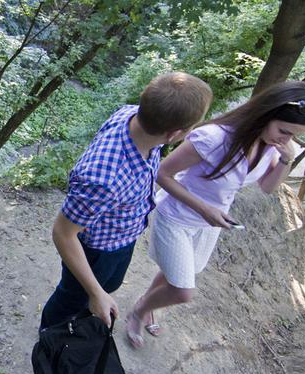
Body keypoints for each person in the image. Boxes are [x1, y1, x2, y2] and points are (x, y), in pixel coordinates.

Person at [126, 80, 305, 348]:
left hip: (209, 223)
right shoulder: (214, 138)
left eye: (293, 136)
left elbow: (268, 187)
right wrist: (205, 209)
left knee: (177, 273)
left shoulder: (270, 144)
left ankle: (149, 305)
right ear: (265, 114)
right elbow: (163, 174)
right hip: (177, 217)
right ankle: (139, 310)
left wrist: (286, 158)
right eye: (284, 131)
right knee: (183, 291)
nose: (285, 140)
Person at [39, 72, 213, 330]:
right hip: (97, 250)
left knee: (109, 284)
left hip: (122, 235)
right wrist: (95, 293)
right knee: (72, 298)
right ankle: (51, 335)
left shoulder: (135, 116)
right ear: (174, 134)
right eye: (191, 129)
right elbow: (63, 233)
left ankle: (88, 309)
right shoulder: (103, 180)